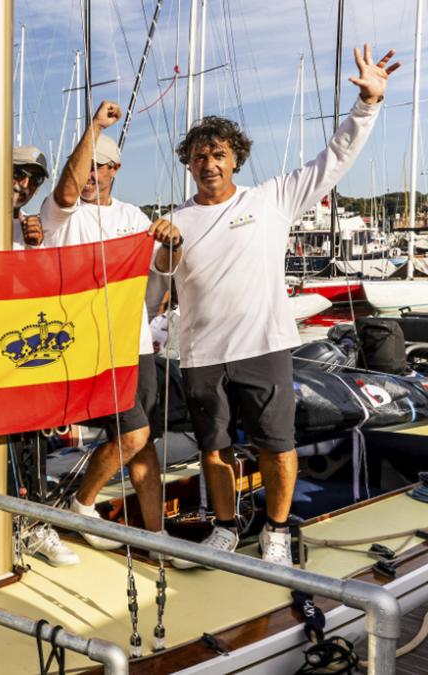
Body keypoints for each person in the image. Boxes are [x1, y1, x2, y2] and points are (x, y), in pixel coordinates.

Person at [164, 45, 397, 568]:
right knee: (214, 449)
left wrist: (367, 106)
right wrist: (164, 249)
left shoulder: (270, 199)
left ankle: (273, 530)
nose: (209, 164)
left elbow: (333, 159)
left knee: (276, 444)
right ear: (189, 163)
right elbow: (159, 281)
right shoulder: (175, 220)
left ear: (236, 159)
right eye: (200, 156)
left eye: (219, 154)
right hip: (201, 353)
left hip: (263, 346)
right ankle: (226, 529)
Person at [33, 101, 182, 567]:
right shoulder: (60, 214)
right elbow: (65, 190)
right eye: (85, 167)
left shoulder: (135, 217)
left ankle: (156, 536)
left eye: (99, 167)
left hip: (135, 344)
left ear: (116, 168)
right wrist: (94, 128)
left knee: (143, 444)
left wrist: (173, 243)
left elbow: (164, 272)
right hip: (90, 349)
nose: (90, 176)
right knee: (133, 436)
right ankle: (80, 508)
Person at [11, 145, 50, 250]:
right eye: (19, 174)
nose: (24, 185)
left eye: (35, 179)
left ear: (37, 189)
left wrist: (34, 246)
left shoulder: (38, 229)